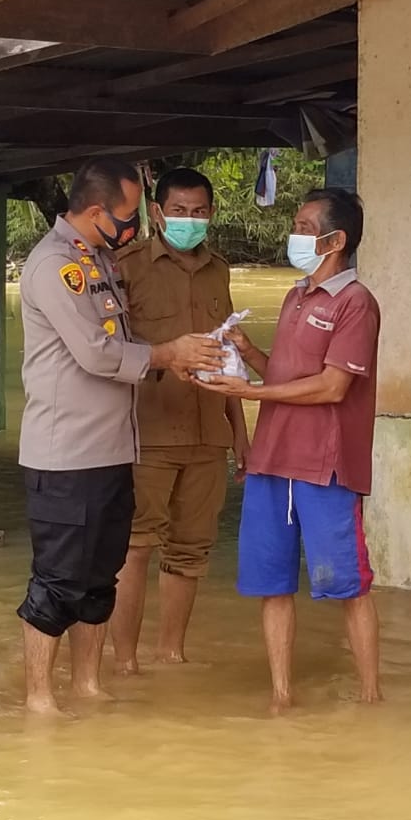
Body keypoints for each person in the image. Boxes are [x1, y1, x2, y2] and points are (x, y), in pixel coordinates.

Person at [17, 157, 224, 716]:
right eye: (130, 214)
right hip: (66, 453)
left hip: (111, 448)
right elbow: (96, 352)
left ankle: (87, 684)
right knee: (58, 580)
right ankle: (39, 696)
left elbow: (118, 345)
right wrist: (167, 353)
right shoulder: (54, 266)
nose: (134, 225)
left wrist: (169, 363)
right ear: (95, 212)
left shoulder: (97, 261)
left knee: (99, 579)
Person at [201, 188, 381, 713]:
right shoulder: (296, 294)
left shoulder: (356, 303)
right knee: (271, 583)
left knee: (348, 584)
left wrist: (248, 394)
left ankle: (372, 696)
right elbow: (286, 372)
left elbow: (331, 388)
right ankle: (282, 695)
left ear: (336, 239)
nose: (295, 234)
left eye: (304, 225)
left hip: (325, 465)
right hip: (271, 461)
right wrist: (246, 353)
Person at [110, 168, 250, 673]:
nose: (189, 220)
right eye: (179, 211)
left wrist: (240, 435)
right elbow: (110, 352)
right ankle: (123, 661)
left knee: (191, 551)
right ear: (157, 212)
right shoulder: (126, 268)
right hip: (147, 431)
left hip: (208, 432)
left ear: (211, 213)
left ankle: (172, 653)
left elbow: (227, 354)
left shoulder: (219, 270)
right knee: (134, 547)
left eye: (199, 212)